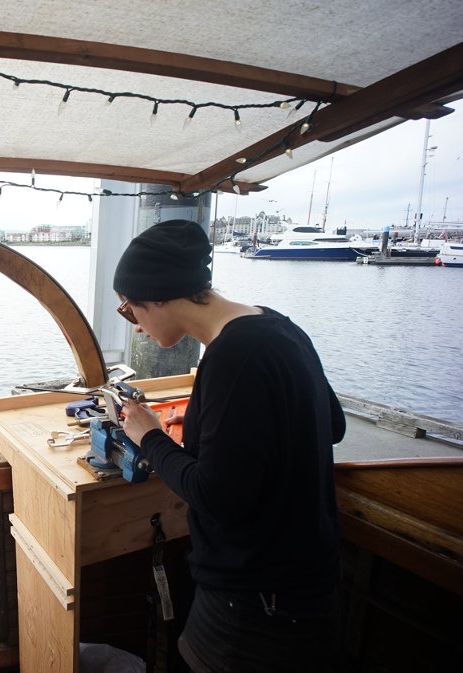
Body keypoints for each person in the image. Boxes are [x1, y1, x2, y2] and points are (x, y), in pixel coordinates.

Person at [112, 219, 345, 673]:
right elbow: (330, 424)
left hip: (256, 604)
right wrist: (203, 423)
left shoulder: (230, 357)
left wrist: (150, 436)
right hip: (311, 584)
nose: (136, 329)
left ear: (158, 296)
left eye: (130, 310)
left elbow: (217, 496)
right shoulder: (279, 327)